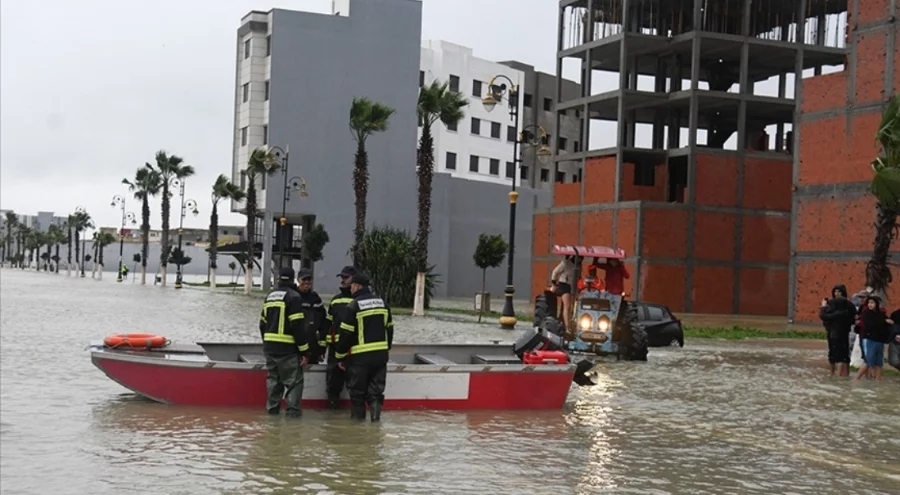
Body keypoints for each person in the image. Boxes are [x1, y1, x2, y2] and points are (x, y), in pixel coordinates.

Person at [333, 272, 394, 421]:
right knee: (376, 394)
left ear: (357, 286)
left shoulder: (353, 306)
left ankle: (357, 428)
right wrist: (385, 350)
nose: (351, 288)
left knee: (357, 394)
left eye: (352, 285)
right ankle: (375, 423)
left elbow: (346, 334)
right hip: (380, 357)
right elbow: (390, 329)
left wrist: (339, 356)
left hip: (360, 358)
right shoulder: (382, 303)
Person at [259, 267, 310, 417]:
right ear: (294, 279)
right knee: (294, 383)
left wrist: (267, 343)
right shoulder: (294, 297)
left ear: (278, 279)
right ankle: (292, 419)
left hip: (270, 349)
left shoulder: (270, 296)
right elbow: (297, 326)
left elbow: (262, 324)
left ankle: (272, 414)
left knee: (274, 382)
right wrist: (304, 351)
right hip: (287, 349)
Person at [322, 265, 357, 409]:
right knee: (333, 386)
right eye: (341, 277)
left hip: (353, 350)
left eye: (345, 277)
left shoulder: (359, 300)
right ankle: (332, 417)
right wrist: (322, 349)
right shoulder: (335, 300)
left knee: (355, 385)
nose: (342, 280)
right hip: (335, 350)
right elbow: (328, 325)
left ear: (354, 280)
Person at [819, 284, 855, 376]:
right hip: (832, 331)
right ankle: (833, 373)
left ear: (843, 293)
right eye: (835, 291)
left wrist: (823, 307)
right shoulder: (831, 303)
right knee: (833, 353)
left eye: (839, 291)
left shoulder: (848, 305)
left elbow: (824, 316)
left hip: (843, 331)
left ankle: (843, 374)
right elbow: (825, 318)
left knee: (843, 354)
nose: (837, 293)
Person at [855, 296, 892, 381]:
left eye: (872, 303)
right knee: (868, 361)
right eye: (869, 303)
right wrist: (884, 321)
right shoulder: (866, 313)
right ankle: (856, 379)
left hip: (880, 340)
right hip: (869, 339)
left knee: (879, 363)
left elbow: (886, 325)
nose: (870, 304)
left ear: (876, 304)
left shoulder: (881, 314)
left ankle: (878, 381)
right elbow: (870, 324)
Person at [295, 268, 328, 364]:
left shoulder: (315, 298)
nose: (306, 282)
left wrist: (322, 349)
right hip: (295, 347)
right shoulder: (293, 297)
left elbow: (324, 325)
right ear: (298, 280)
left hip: (312, 345)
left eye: (309, 280)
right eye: (304, 279)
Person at [551, 255, 580, 329]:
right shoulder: (565, 263)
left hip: (574, 285)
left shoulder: (579, 265)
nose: (580, 260)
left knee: (574, 306)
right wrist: (554, 284)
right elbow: (555, 272)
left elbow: (578, 276)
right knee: (567, 306)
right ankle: (567, 327)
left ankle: (574, 323)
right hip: (565, 285)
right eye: (578, 258)